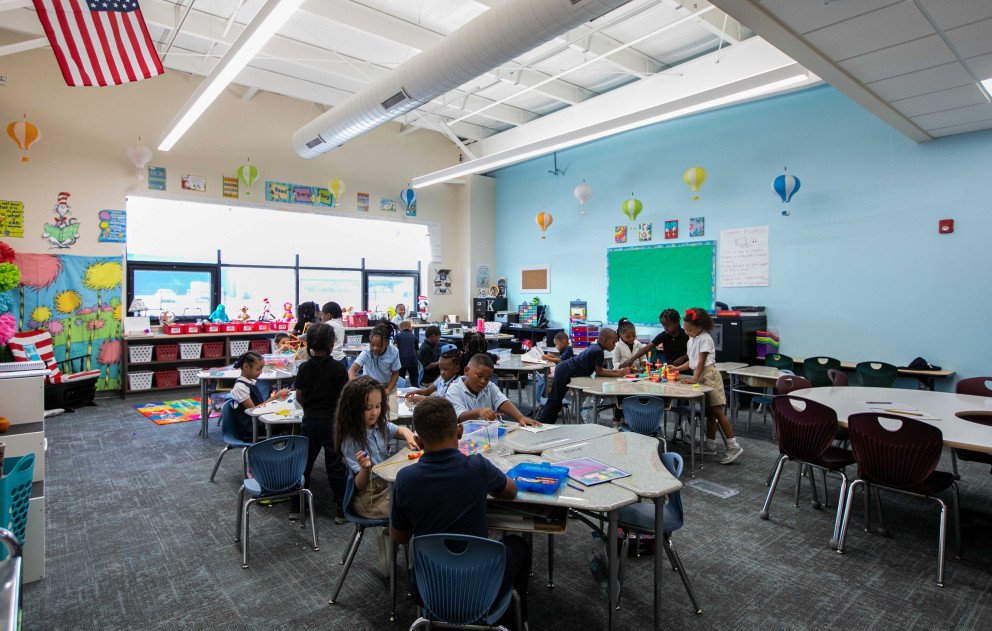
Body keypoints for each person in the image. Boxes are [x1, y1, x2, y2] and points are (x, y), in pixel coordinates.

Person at [390, 397, 530, 631]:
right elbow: (512, 491)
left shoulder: (405, 479)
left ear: (418, 441)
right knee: (518, 545)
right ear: (460, 431)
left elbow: (400, 537)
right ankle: (515, 619)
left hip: (429, 589)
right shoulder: (477, 466)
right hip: (481, 586)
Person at [337, 376, 418, 575]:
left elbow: (399, 429)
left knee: (417, 500)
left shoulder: (377, 426)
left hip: (386, 486)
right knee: (415, 509)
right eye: (368, 408)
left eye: (379, 406)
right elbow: (360, 486)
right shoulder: (350, 440)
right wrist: (365, 468)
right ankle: (406, 560)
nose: (375, 412)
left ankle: (402, 547)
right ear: (353, 408)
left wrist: (408, 435)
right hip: (369, 497)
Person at [292, 323, 349, 521]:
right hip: (331, 422)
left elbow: (299, 396)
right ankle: (341, 510)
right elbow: (343, 398)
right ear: (332, 343)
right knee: (335, 465)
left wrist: (309, 408)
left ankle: (296, 507)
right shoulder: (338, 368)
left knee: (304, 464)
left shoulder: (304, 368)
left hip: (309, 421)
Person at [672, 308, 743, 464]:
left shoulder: (705, 338)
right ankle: (710, 446)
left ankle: (733, 445)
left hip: (709, 376)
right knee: (710, 413)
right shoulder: (692, 340)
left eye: (689, 329)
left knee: (717, 411)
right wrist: (677, 369)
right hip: (700, 375)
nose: (687, 332)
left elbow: (702, 360)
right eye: (685, 329)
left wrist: (694, 379)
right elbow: (692, 362)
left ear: (700, 327)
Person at [537, 329, 629, 424]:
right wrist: (618, 373)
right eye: (613, 342)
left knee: (556, 400)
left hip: (563, 369)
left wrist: (617, 371)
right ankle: (543, 424)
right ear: (605, 341)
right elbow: (599, 372)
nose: (614, 345)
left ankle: (547, 424)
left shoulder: (595, 347)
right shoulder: (598, 351)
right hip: (564, 370)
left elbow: (599, 370)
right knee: (555, 400)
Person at [445, 353, 540, 426]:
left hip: (490, 432)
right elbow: (460, 416)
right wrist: (479, 412)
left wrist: (521, 417)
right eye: (479, 376)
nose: (483, 381)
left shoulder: (489, 386)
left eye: (487, 378)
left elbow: (503, 402)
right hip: (467, 436)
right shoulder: (454, 390)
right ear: (466, 371)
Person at [228, 351, 289, 442]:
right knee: (288, 424)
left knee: (287, 419)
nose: (260, 372)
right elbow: (254, 411)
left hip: (257, 422)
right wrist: (275, 397)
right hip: (250, 427)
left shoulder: (250, 382)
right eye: (258, 369)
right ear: (246, 367)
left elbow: (259, 407)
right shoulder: (241, 387)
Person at [617, 308, 689, 370]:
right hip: (672, 370)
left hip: (687, 370)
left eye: (668, 325)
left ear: (676, 323)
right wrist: (631, 360)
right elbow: (646, 348)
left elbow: (697, 353)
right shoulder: (663, 335)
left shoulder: (687, 335)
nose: (665, 328)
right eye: (663, 326)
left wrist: (684, 357)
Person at [348, 321, 401, 393]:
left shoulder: (393, 352)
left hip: (386, 385)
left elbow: (395, 373)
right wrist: (356, 387)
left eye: (379, 345)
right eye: (372, 345)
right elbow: (352, 370)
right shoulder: (367, 351)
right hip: (368, 385)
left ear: (387, 343)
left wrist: (388, 390)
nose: (375, 348)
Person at [394, 320, 420, 386]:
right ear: (410, 327)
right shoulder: (414, 336)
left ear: (400, 328)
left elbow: (395, 348)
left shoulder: (397, 336)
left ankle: (400, 393)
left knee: (400, 379)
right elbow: (417, 351)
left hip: (401, 361)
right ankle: (416, 392)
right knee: (414, 380)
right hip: (413, 361)